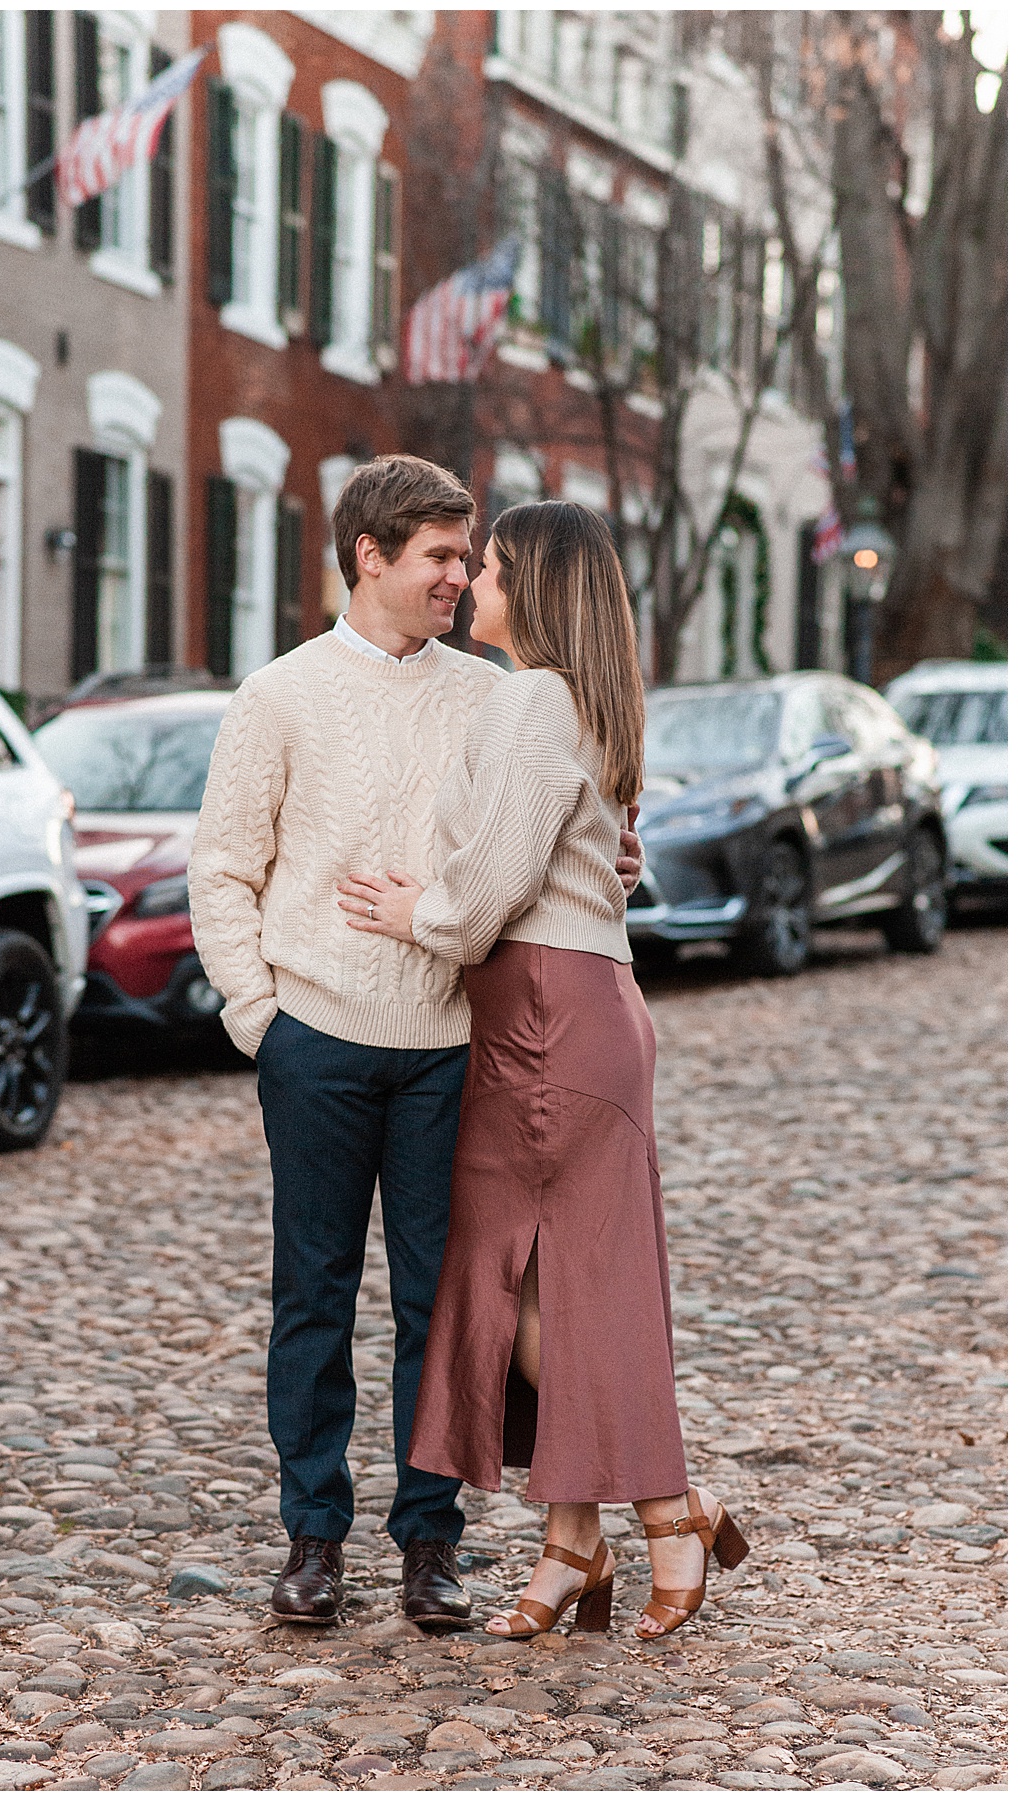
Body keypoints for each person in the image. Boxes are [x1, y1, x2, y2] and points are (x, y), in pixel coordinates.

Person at [186, 455, 643, 1629]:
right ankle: (312, 1538)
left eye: (466, 556)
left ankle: (430, 1544)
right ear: (369, 558)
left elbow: (564, 829)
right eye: (440, 555)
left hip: (458, 1048)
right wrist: (260, 1019)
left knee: (448, 1305)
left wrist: (613, 861)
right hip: (318, 1043)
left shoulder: (499, 692)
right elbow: (224, 869)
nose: (459, 574)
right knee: (314, 1297)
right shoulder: (278, 696)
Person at [338, 501, 748, 1640]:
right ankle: (574, 1540)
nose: (471, 582)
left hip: (541, 1020)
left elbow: (479, 904)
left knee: (540, 1286)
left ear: (539, 587)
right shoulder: (590, 702)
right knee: (543, 1282)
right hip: (581, 1011)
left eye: (493, 567)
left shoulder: (530, 698)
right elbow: (593, 862)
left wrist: (409, 905)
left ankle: (671, 1507)